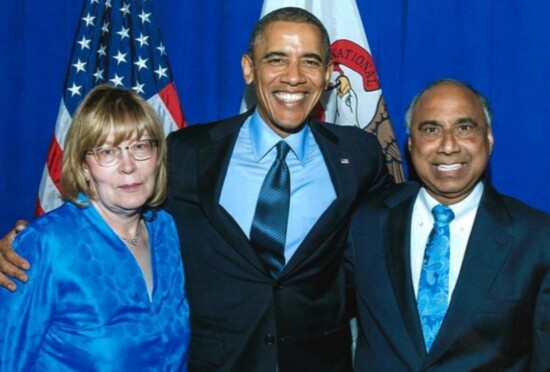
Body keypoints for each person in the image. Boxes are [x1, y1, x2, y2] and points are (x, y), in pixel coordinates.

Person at [0, 7, 393, 371]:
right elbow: (111, 202)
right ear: (248, 69)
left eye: (310, 61)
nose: (293, 76)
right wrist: (25, 244)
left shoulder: (357, 155)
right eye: (276, 59)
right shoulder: (187, 153)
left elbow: (392, 234)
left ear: (327, 75)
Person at [349, 79, 550, 370]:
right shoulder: (365, 222)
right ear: (410, 144)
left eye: (464, 128)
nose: (448, 145)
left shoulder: (537, 240)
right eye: (431, 129)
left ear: (489, 139)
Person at [0, 85, 190, 370]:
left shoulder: (167, 230)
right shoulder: (46, 245)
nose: (129, 166)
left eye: (140, 146)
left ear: (158, 155)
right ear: (84, 166)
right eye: (107, 151)